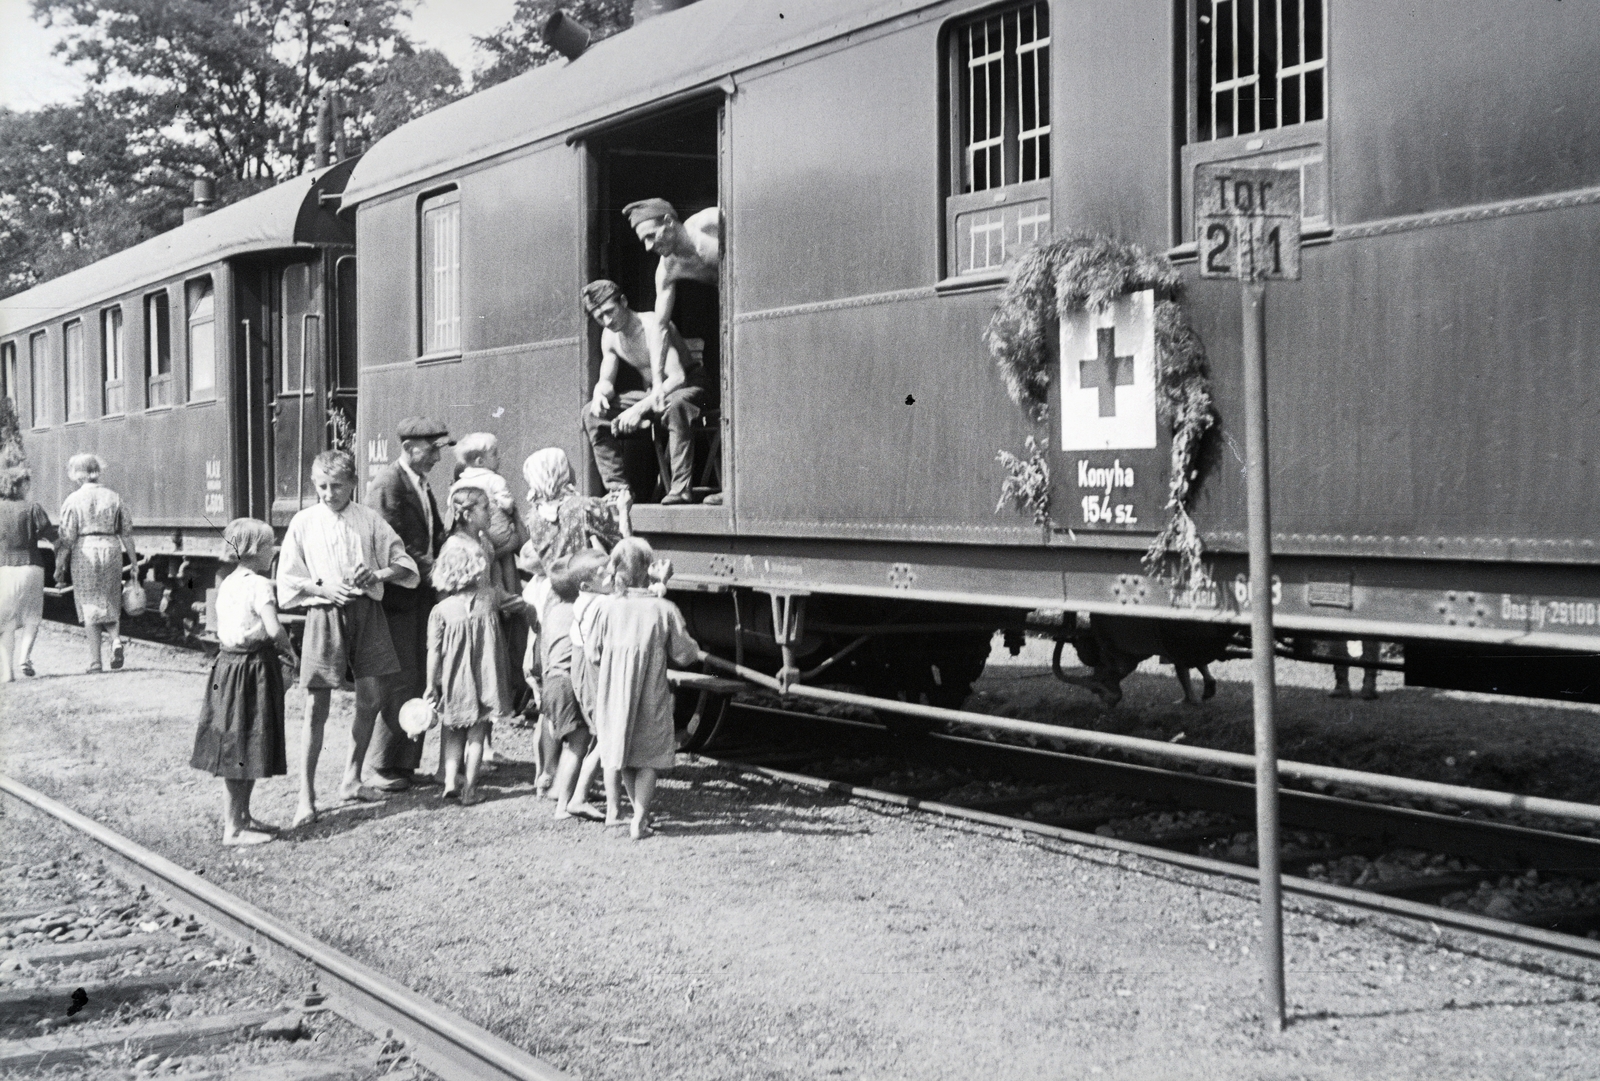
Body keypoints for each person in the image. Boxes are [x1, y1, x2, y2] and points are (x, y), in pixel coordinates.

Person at [278, 450, 419, 826]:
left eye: (336, 486)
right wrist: (323, 588)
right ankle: (306, 797)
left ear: (353, 484)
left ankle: (351, 779)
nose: (328, 493)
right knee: (315, 708)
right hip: (324, 615)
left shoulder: (369, 519)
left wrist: (376, 575)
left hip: (366, 614)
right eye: (321, 486)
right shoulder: (304, 522)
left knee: (370, 698)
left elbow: (405, 565)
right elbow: (289, 577)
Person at [585, 538, 704, 840]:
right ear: (648, 570)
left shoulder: (606, 608)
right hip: (651, 693)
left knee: (624, 755)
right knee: (650, 757)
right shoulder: (663, 608)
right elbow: (685, 654)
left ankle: (636, 814)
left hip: (613, 696)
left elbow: (593, 653)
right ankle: (640, 817)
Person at [189, 519, 299, 845]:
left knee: (241, 745)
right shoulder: (260, 585)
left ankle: (243, 817)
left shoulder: (227, 582)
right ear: (253, 550)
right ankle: (233, 828)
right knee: (244, 745)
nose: (273, 551)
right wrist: (291, 653)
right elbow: (274, 628)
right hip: (253, 668)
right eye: (269, 546)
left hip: (228, 667)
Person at [364, 417, 451, 791]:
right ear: (409, 446)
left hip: (419, 595)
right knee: (399, 678)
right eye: (431, 448)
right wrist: (438, 570)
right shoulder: (388, 483)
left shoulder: (419, 483)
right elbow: (390, 542)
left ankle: (405, 763)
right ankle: (384, 765)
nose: (436, 456)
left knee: (416, 675)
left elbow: (432, 535)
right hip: (400, 597)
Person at [579, 281, 709, 505]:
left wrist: (637, 410)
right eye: (600, 317)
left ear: (624, 302)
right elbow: (606, 382)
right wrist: (600, 393)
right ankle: (619, 490)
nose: (607, 321)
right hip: (655, 393)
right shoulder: (609, 336)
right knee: (591, 412)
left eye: (610, 311)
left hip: (688, 386)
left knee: (676, 404)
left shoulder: (651, 327)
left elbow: (678, 378)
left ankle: (681, 489)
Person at [425, 535, 515, 806]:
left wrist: (431, 684)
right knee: (477, 734)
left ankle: (451, 780)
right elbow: (513, 603)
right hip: (485, 678)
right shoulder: (490, 598)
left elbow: (433, 652)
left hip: (454, 680)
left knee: (453, 730)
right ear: (477, 570)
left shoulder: (440, 610)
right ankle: (470, 790)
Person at [525, 550, 608, 820]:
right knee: (579, 744)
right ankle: (564, 803)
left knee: (568, 740)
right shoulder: (577, 612)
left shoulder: (553, 610)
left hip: (551, 682)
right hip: (566, 683)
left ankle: (554, 783)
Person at [56, 453, 139, 674]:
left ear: (77, 475)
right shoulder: (114, 497)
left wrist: (59, 565)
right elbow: (127, 534)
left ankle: (95, 662)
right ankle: (115, 640)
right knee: (110, 600)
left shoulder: (72, 500)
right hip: (111, 549)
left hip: (85, 552)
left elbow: (66, 538)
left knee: (89, 604)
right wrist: (133, 560)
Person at [622, 198, 721, 346]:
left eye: (650, 236)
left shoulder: (708, 222)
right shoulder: (667, 269)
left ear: (668, 221)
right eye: (644, 241)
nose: (648, 247)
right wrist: (658, 369)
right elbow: (660, 326)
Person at [517, 448, 630, 576]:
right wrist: (624, 510)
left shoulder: (534, 517)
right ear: (559, 471)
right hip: (594, 588)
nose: (571, 469)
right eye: (567, 464)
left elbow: (564, 518)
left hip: (558, 590)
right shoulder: (587, 507)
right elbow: (624, 553)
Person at [450, 432, 526, 594]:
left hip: (472, 533)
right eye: (494, 454)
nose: (499, 458)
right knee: (507, 560)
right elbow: (506, 503)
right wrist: (510, 509)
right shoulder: (494, 479)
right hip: (497, 532)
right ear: (480, 461)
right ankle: (511, 593)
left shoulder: (459, 484)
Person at [0, 465, 54, 681]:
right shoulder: (33, 508)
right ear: (20, 485)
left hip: (4, 568)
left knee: (6, 623)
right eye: (27, 482)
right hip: (32, 567)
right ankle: (24, 658)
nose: (29, 486)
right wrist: (61, 564)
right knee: (32, 617)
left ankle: (8, 673)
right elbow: (54, 537)